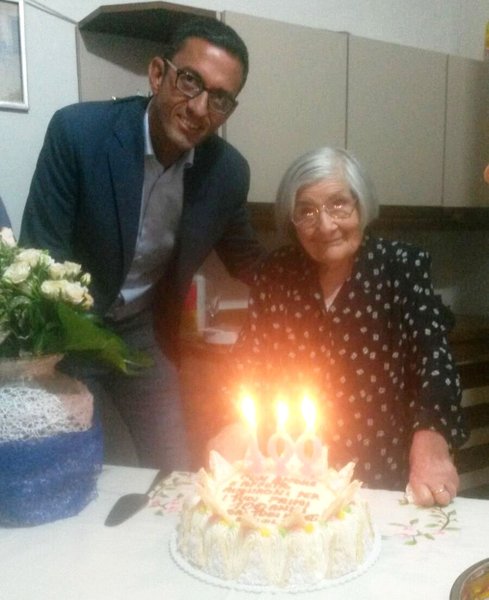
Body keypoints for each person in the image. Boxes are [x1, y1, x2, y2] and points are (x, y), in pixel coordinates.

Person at [20, 17, 264, 475]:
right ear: (157, 74)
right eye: (190, 81)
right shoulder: (78, 134)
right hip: (70, 331)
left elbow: (251, 262)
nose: (199, 108)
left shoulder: (227, 172)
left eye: (219, 98)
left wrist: (330, 269)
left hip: (144, 334)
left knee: (175, 472)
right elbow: (40, 254)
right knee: (80, 471)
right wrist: (61, 344)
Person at [211, 146, 468, 507]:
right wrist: (234, 423)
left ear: (361, 205)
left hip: (380, 477)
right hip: (289, 478)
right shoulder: (277, 272)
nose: (325, 225)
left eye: (338, 204)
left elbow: (434, 362)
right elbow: (248, 360)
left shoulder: (400, 267)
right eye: (306, 210)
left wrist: (432, 439)